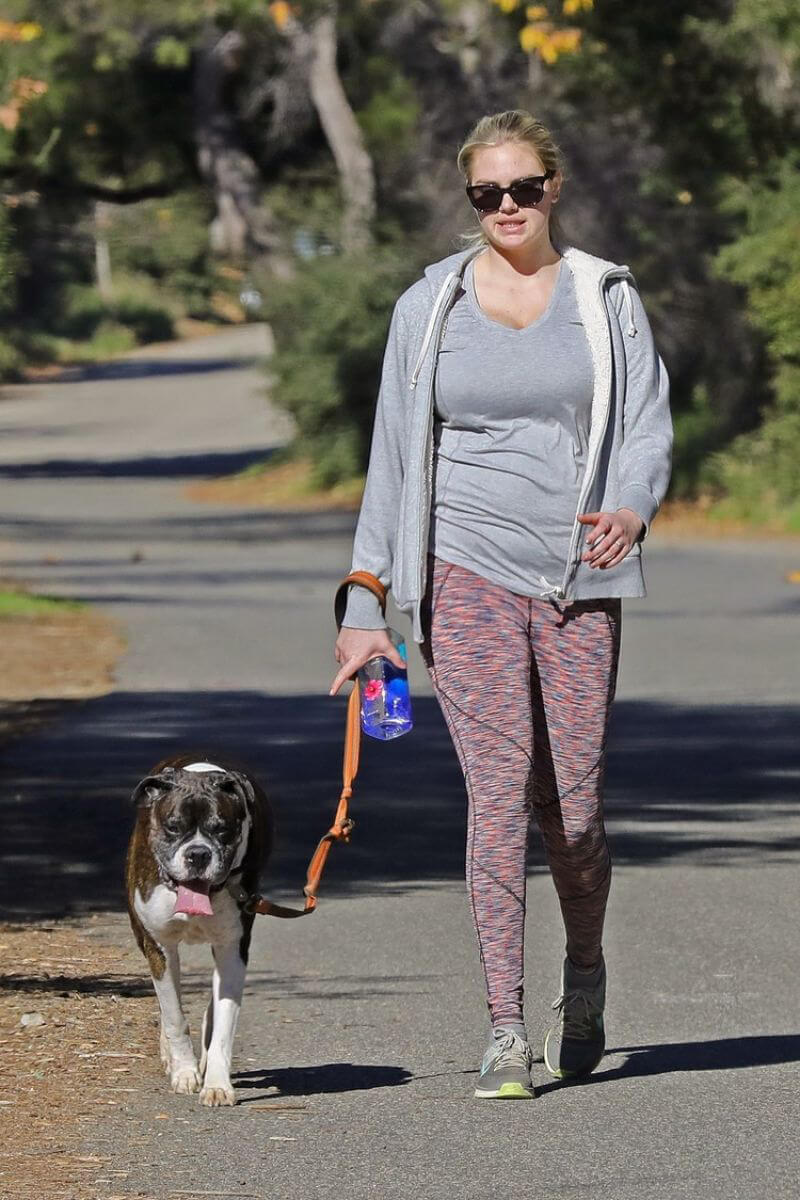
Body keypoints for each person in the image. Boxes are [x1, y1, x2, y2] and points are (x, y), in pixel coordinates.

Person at [330, 110, 672, 1099]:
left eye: (522, 189)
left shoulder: (603, 295)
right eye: (486, 194)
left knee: (570, 812)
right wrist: (367, 603)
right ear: (468, 198)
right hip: (461, 572)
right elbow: (392, 461)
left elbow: (646, 421)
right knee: (494, 800)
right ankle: (503, 1029)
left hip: (575, 576)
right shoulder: (427, 307)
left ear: (552, 187)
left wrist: (633, 506)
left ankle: (585, 970)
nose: (506, 208)